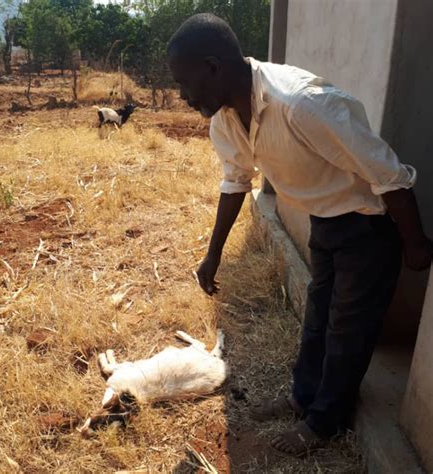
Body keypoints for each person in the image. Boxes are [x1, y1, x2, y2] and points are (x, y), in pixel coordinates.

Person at [166, 13, 432, 456]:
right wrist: (212, 255)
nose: (182, 95)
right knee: (317, 321)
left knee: (347, 330)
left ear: (212, 67)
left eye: (183, 81)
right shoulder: (226, 120)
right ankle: (302, 398)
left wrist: (416, 244)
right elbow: (236, 183)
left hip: (368, 227)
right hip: (325, 222)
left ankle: (325, 422)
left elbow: (389, 175)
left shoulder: (302, 104)